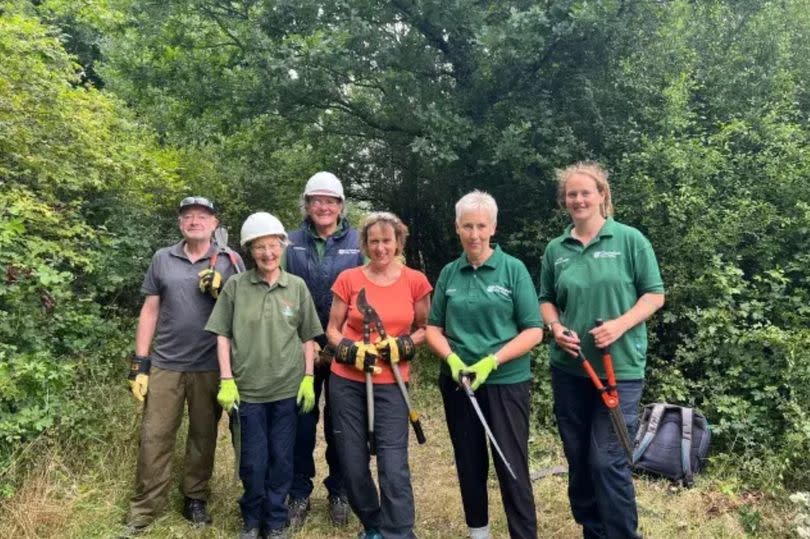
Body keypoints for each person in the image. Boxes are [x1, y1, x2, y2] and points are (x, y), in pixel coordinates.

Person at [538, 162, 665, 539]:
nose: (578, 199)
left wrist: (620, 324)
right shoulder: (555, 249)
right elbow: (546, 299)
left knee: (607, 462)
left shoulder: (629, 240)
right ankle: (593, 532)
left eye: (585, 192)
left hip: (619, 369)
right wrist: (556, 328)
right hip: (570, 370)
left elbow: (654, 294)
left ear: (602, 195)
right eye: (571, 194)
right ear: (565, 201)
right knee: (579, 462)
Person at [425, 190, 543, 539]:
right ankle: (479, 532)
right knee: (469, 460)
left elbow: (534, 330)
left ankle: (523, 534)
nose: (474, 234)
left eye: (481, 226)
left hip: (506, 382)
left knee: (511, 465)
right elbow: (433, 328)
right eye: (467, 226)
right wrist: (452, 358)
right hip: (458, 382)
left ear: (493, 227)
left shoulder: (513, 269)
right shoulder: (449, 273)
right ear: (457, 228)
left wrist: (492, 361)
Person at [125, 196, 244, 533]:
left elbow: (245, 312)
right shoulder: (163, 258)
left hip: (211, 365)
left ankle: (195, 498)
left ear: (215, 223)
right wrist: (140, 363)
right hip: (166, 364)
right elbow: (150, 310)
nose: (194, 221)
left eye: (202, 216)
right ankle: (146, 506)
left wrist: (222, 293)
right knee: (155, 435)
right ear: (180, 224)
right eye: (188, 216)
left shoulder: (230, 260)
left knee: (203, 435)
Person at [205, 212, 323, 539]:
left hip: (287, 391)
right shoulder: (235, 287)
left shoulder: (296, 287)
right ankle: (252, 517)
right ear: (249, 251)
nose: (267, 254)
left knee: (282, 460)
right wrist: (227, 379)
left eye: (273, 246)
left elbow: (308, 337)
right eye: (260, 248)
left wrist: (308, 378)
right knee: (253, 462)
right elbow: (222, 335)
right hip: (248, 393)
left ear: (282, 246)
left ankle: (274, 520)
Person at [326, 212, 432, 539]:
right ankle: (374, 524)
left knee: (393, 464)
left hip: (391, 383)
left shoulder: (415, 281)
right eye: (374, 241)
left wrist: (403, 344)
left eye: (387, 241)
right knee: (353, 462)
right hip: (347, 380)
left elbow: (426, 329)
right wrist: (349, 350)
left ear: (398, 242)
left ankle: (399, 532)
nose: (381, 248)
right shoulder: (348, 279)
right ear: (365, 244)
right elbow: (331, 329)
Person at [285, 171, 363, 527]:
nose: (323, 206)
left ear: (341, 205)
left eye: (330, 201)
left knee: (341, 424)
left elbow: (368, 295)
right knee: (301, 423)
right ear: (306, 204)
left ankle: (340, 490)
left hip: (344, 349)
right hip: (299, 348)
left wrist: (340, 343)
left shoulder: (359, 243)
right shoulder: (289, 242)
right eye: (316, 200)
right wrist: (308, 344)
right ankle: (298, 492)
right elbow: (281, 294)